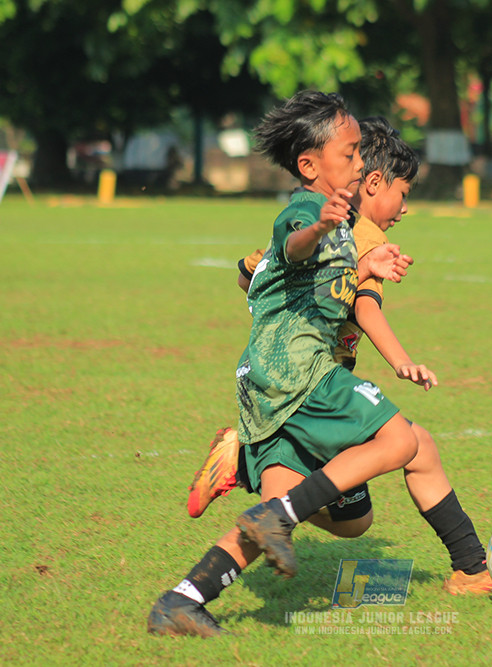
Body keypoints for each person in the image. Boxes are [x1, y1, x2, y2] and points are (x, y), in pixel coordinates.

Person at [148, 91, 419, 638]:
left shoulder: (340, 219)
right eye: (350, 154)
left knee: (296, 509)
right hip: (300, 370)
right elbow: (296, 246)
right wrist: (319, 228)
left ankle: (182, 601)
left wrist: (367, 260)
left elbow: (303, 273)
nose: (362, 163)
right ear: (309, 166)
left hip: (264, 380)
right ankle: (267, 507)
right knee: (402, 442)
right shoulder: (306, 208)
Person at [187, 116, 492, 597]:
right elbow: (364, 302)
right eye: (404, 193)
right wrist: (399, 359)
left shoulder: (326, 221)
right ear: (374, 182)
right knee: (417, 446)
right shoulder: (360, 230)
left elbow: (250, 273)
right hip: (309, 388)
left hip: (276, 386)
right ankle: (472, 569)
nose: (405, 208)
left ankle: (186, 597)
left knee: (331, 521)